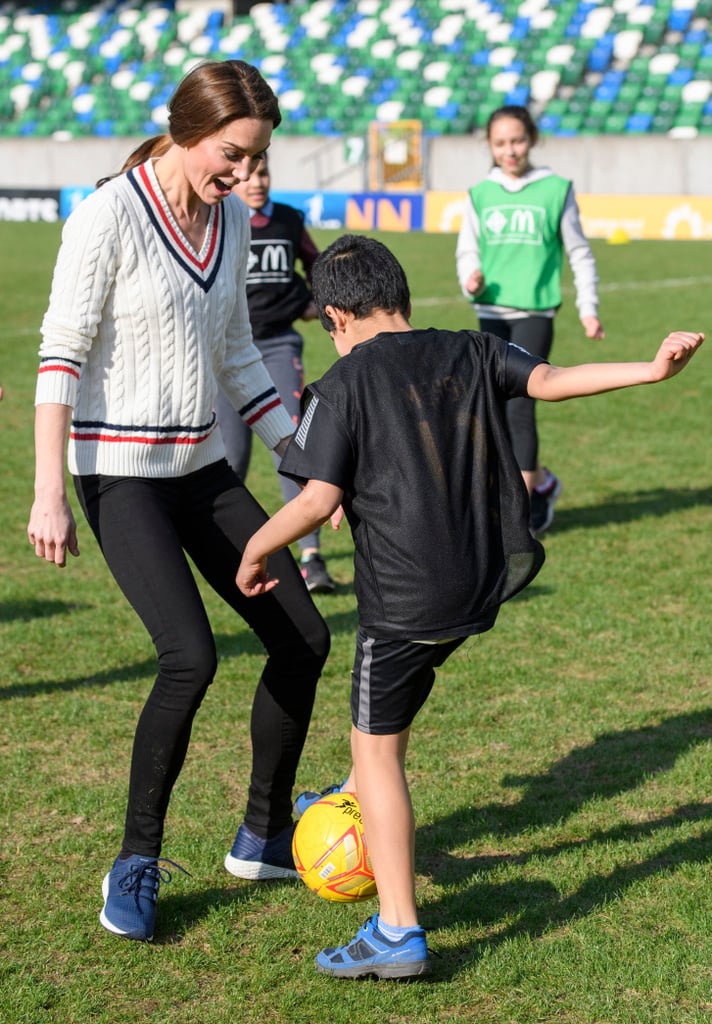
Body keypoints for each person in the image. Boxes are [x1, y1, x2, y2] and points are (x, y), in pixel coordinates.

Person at [235, 233, 703, 980]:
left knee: (377, 748)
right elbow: (550, 380)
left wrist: (257, 549)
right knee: (399, 698)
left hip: (403, 598)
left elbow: (316, 498)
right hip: (480, 582)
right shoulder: (470, 349)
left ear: (335, 317)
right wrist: (651, 370)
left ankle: (396, 929)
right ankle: (354, 797)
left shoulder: (341, 382)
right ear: (402, 297)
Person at [26, 59, 330, 943]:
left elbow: (240, 358)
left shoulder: (232, 221)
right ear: (189, 127)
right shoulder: (107, 214)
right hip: (116, 473)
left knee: (303, 637)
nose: (242, 176)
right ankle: (134, 862)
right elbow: (60, 356)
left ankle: (263, 834)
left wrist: (305, 462)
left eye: (255, 160)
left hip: (201, 469)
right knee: (188, 657)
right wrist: (49, 491)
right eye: (232, 156)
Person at [456, 104, 605, 535]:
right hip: (490, 312)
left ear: (532, 139)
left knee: (521, 407)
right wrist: (471, 279)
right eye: (500, 143)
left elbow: (579, 251)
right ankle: (542, 484)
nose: (510, 150)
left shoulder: (556, 189)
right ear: (490, 145)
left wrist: (588, 308)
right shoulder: (479, 193)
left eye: (517, 140)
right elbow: (467, 249)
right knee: (494, 408)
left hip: (535, 313)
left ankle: (517, 517)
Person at [214, 156, 335, 594]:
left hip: (279, 347)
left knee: (294, 450)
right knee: (230, 459)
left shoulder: (288, 220)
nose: (258, 181)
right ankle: (227, 551)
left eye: (265, 173)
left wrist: (315, 305)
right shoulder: (220, 219)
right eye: (250, 175)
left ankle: (311, 557)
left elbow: (318, 268)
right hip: (226, 355)